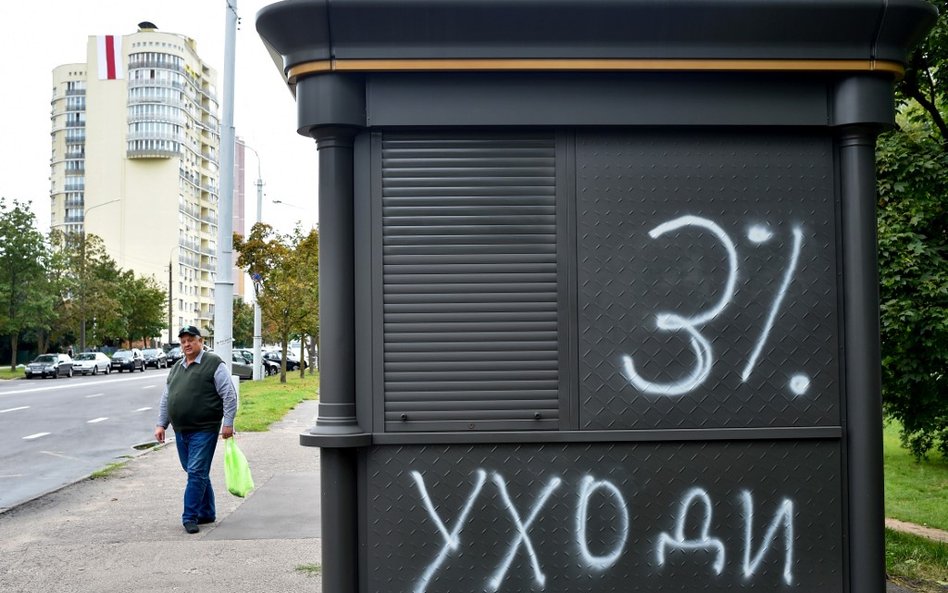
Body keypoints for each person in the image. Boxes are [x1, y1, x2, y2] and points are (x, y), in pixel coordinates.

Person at [154, 326, 237, 534]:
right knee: (194, 471)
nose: (187, 344)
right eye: (183, 341)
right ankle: (207, 512)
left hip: (205, 429)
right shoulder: (176, 367)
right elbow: (167, 397)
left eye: (191, 340)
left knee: (196, 471)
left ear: (201, 341)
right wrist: (161, 424)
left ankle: (189, 517)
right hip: (181, 430)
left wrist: (228, 423)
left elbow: (229, 395)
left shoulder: (214, 363)